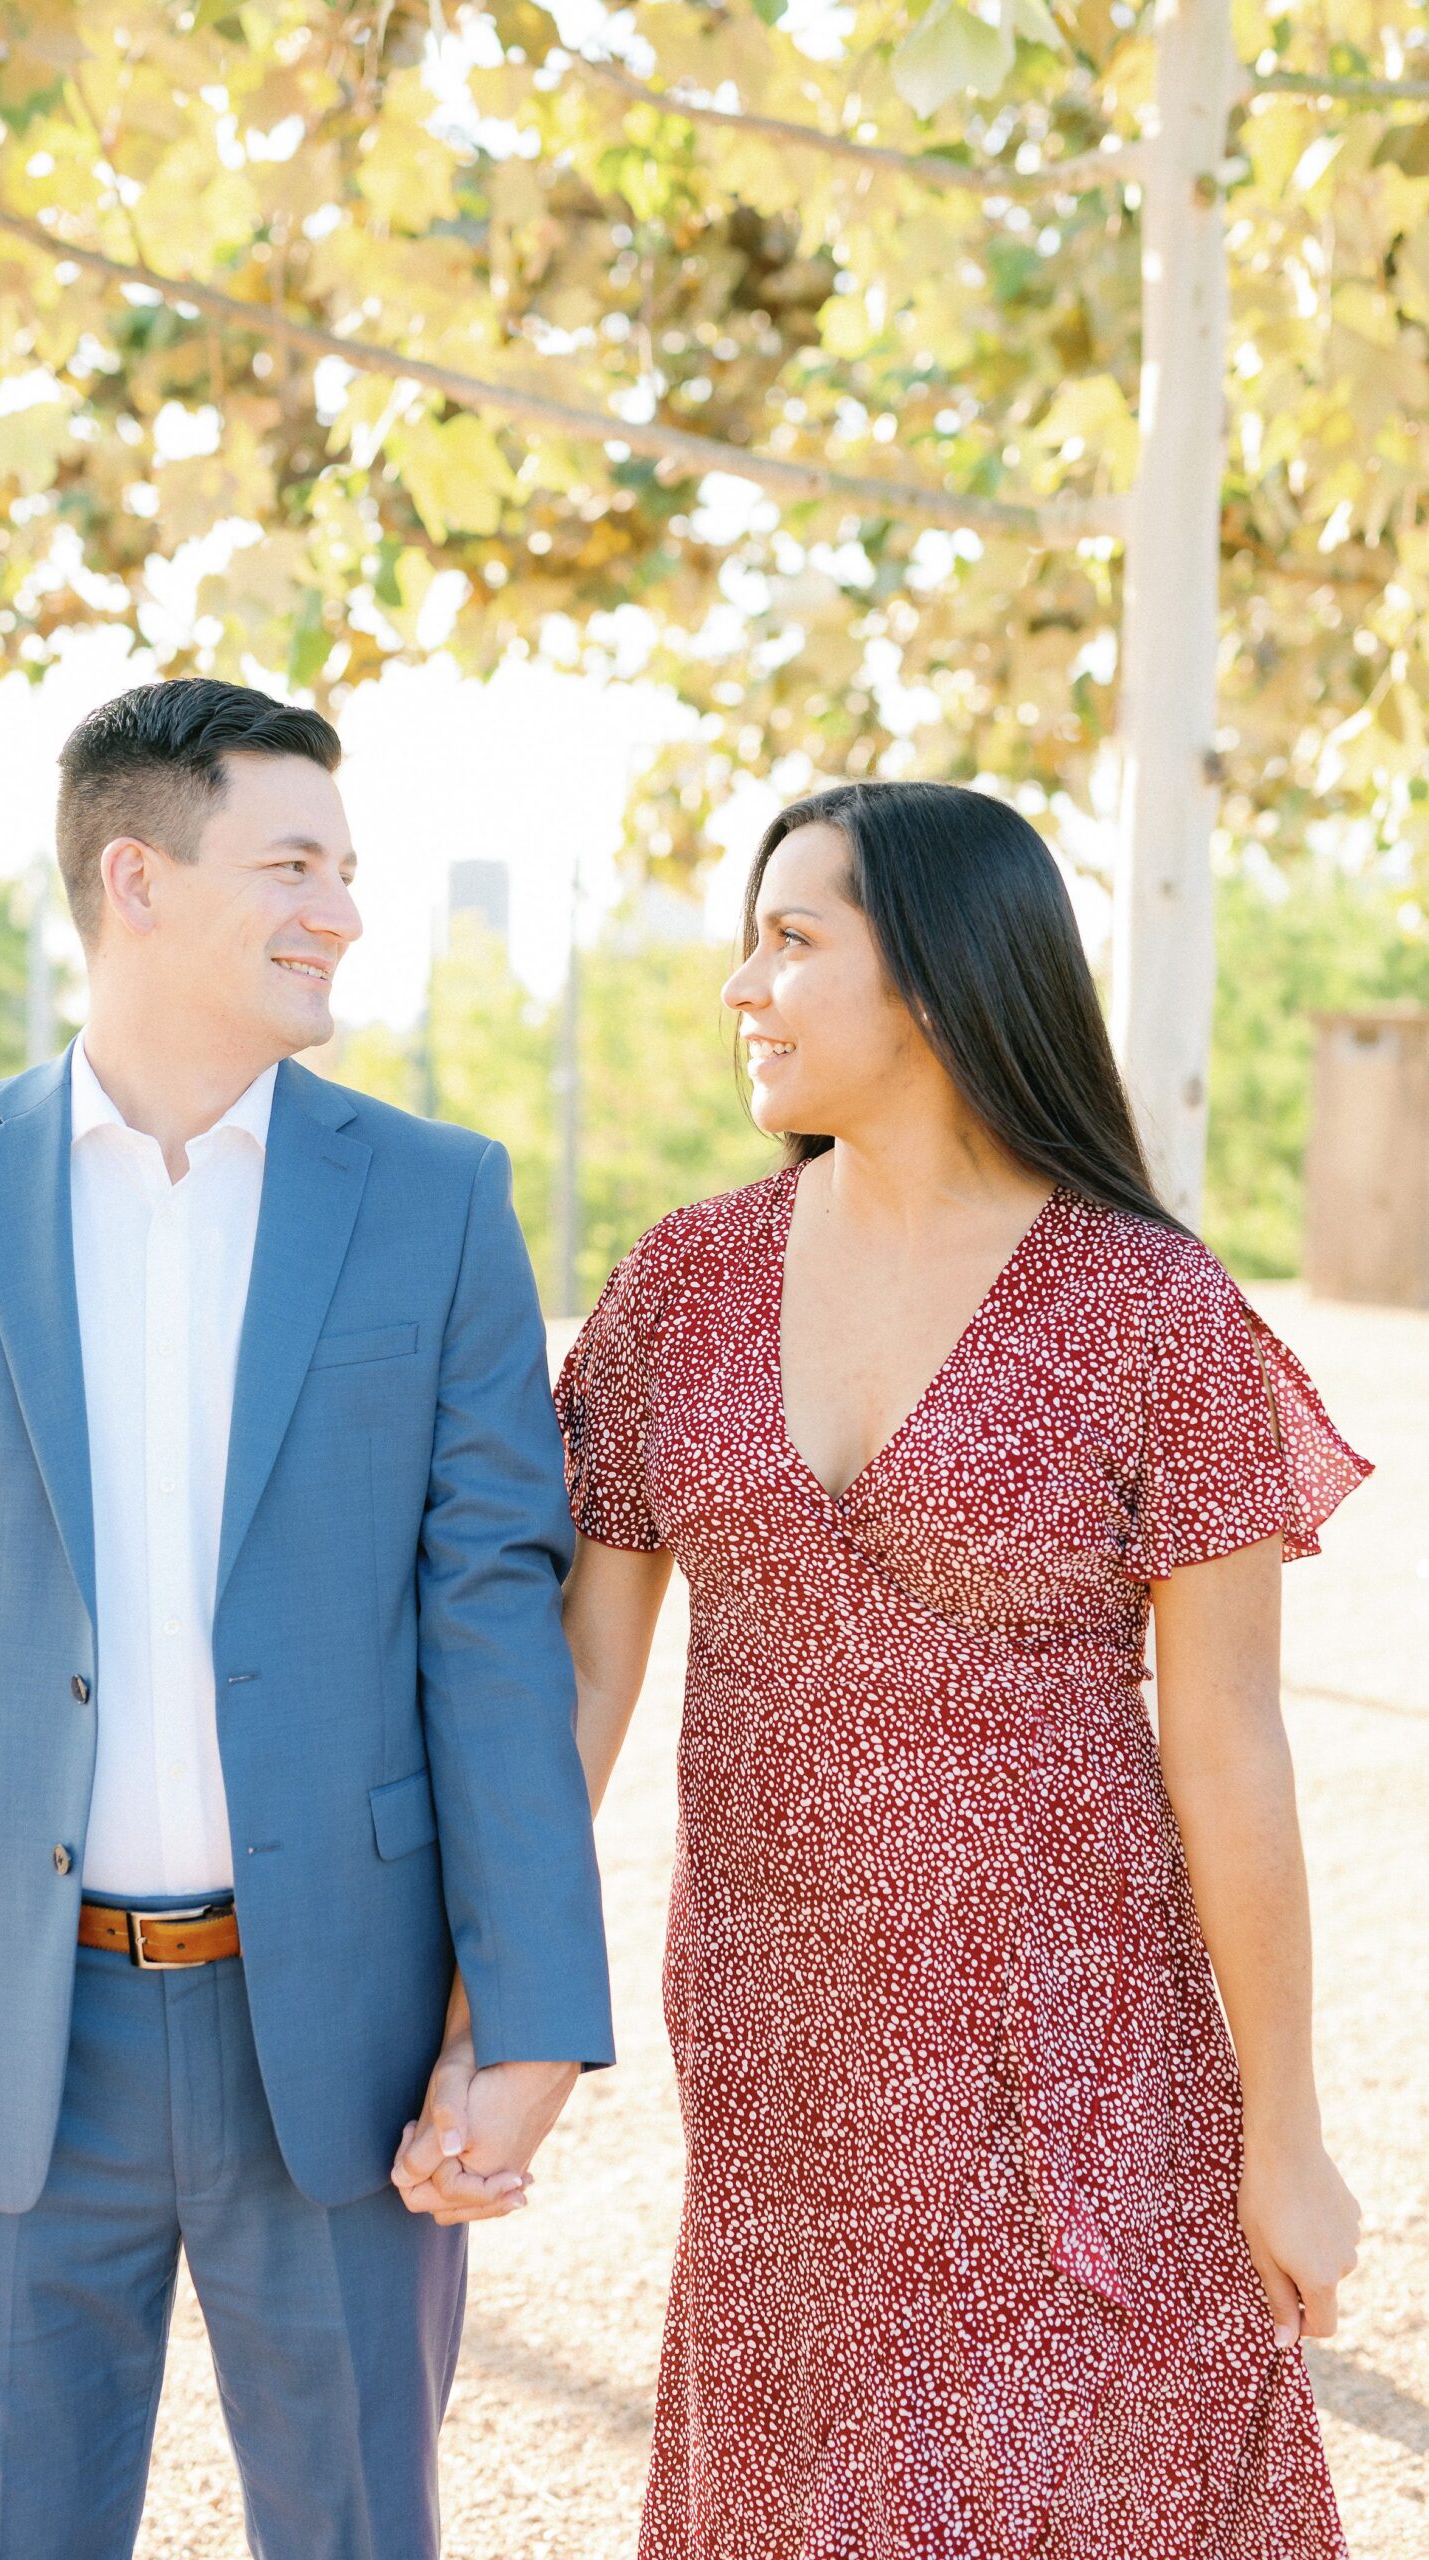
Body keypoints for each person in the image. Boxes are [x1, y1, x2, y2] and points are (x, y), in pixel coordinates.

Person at [398, 779, 1368, 2556]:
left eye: (792, 939)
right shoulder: (686, 1283)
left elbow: (1230, 1751)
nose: (741, 988)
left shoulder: (1153, 1309)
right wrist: (488, 1997)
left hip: (1081, 2060)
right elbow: (575, 1699)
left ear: (930, 973)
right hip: (782, 2048)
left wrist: (1285, 2136)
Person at [0, 676, 612, 2559]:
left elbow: (493, 1630)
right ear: (134, 879)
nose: (343, 909)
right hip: (0, 2048)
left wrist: (534, 2014)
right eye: (293, 862)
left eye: (351, 865)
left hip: (340, 2038)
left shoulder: (438, 1198)